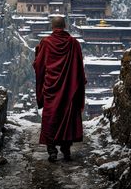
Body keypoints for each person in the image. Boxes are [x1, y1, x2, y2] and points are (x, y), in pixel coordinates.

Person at [33, 16, 86, 162]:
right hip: (69, 89)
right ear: (64, 26)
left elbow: (39, 65)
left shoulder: (46, 42)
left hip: (51, 88)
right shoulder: (74, 43)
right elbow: (79, 68)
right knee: (67, 116)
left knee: (51, 117)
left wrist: (38, 53)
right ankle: (66, 149)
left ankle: (52, 150)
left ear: (52, 26)